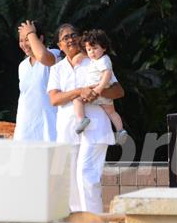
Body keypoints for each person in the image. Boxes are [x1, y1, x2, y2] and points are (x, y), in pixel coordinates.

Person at [47, 24, 124, 213]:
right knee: (71, 180)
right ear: (59, 45)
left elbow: (118, 91)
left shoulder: (95, 61)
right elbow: (54, 99)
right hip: (68, 129)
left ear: (81, 38)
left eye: (74, 35)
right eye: (65, 38)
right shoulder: (57, 69)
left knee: (86, 175)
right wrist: (79, 92)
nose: (70, 39)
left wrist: (97, 92)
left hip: (95, 127)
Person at [71, 29, 126, 139]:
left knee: (77, 99)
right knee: (111, 112)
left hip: (98, 91)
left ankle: (82, 119)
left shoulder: (104, 60)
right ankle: (120, 130)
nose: (92, 52)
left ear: (104, 48)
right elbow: (91, 54)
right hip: (97, 93)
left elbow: (107, 73)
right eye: (89, 49)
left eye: (95, 48)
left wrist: (100, 88)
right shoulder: (95, 59)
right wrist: (82, 55)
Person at [13, 20, 61, 141]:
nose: (24, 44)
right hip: (25, 128)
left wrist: (30, 32)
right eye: (21, 40)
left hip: (50, 126)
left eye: (28, 39)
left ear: (40, 38)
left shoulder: (54, 54)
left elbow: (43, 57)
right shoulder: (22, 66)